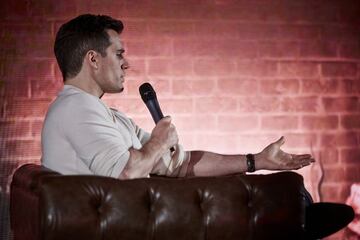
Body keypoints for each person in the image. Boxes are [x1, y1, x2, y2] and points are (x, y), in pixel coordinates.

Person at [41, 14, 315, 179]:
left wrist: (256, 161)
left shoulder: (109, 116)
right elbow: (126, 173)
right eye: (119, 54)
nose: (126, 64)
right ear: (93, 59)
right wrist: (159, 140)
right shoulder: (75, 108)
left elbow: (180, 165)